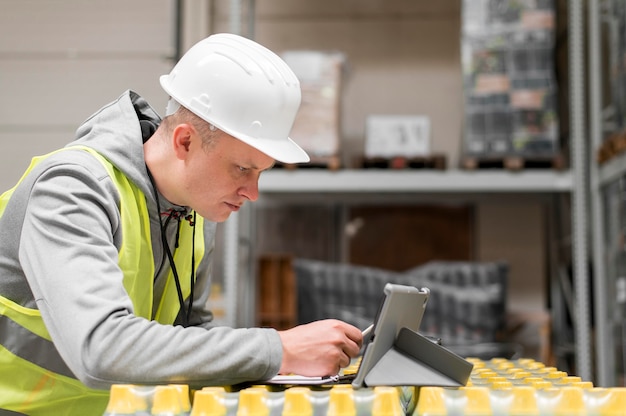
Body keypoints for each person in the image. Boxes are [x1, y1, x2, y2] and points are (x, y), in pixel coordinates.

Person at [0, 33, 362, 415]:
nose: (252, 192)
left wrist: (297, 371)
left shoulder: (193, 211)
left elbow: (190, 339)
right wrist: (279, 350)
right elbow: (100, 347)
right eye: (242, 168)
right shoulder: (73, 189)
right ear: (185, 142)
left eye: (261, 172)